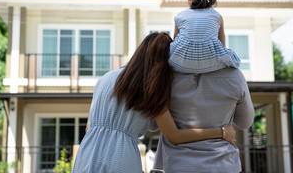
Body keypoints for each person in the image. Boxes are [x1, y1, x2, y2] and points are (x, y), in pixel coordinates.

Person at [72, 33, 236, 173]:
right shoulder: (150, 88)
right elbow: (174, 136)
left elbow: (89, 127)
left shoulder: (105, 78)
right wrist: (222, 131)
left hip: (86, 156)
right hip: (121, 158)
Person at [153, 68, 255, 173]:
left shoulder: (164, 76)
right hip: (223, 164)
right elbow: (245, 122)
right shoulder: (235, 75)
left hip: (180, 165)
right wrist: (222, 129)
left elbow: (152, 125)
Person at [169, 0, 240, 74]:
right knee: (232, 55)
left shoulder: (180, 16)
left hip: (180, 64)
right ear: (215, 0)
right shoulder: (217, 17)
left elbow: (175, 43)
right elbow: (222, 46)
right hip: (212, 63)